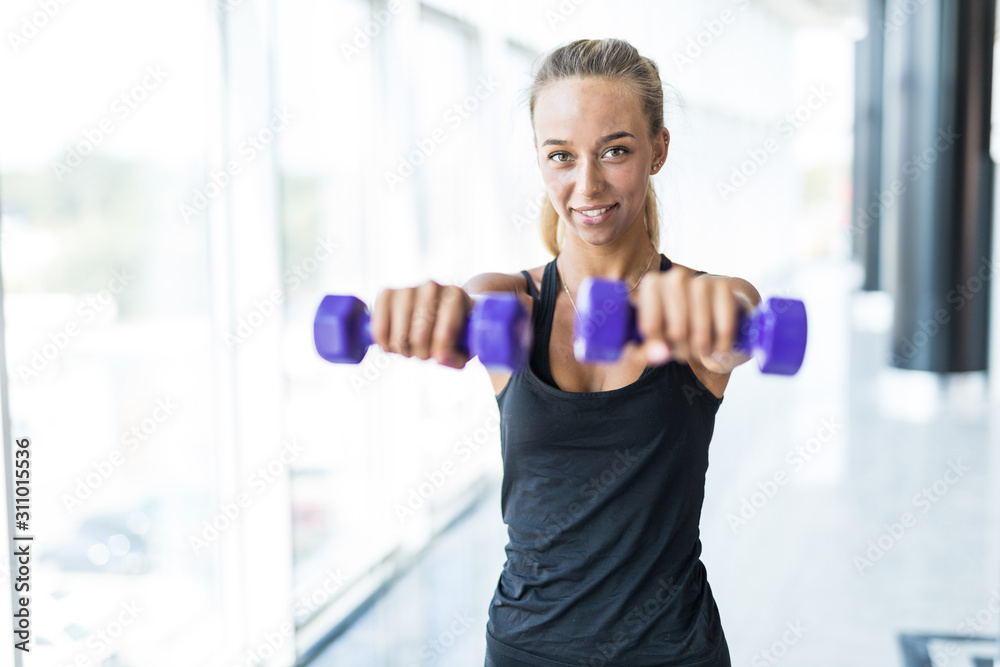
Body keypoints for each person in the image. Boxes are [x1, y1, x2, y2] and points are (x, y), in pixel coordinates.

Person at [371, 38, 760, 667]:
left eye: (615, 150)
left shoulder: (702, 302)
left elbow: (737, 315)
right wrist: (423, 314)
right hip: (529, 647)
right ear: (540, 160)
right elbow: (463, 309)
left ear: (658, 150)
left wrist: (723, 319)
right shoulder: (510, 302)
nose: (587, 184)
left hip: (673, 650)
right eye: (561, 156)